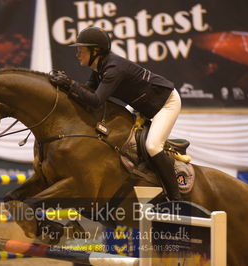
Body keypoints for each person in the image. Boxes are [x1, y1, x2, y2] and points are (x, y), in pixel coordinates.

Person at [50, 26, 182, 201]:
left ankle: (176, 198)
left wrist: (70, 85)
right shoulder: (99, 68)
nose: (77, 54)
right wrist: (64, 85)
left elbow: (96, 101)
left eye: (81, 50)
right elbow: (87, 92)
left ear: (95, 51)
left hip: (166, 104)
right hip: (144, 106)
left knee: (152, 146)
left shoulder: (113, 69)